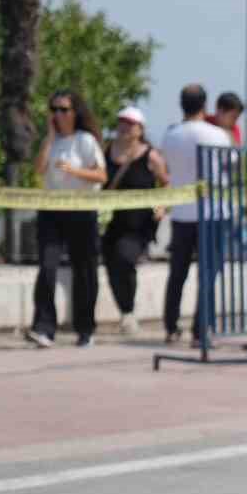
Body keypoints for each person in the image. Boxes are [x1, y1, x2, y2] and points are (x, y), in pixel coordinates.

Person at [26, 89, 107, 348]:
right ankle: (44, 327)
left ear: (75, 112)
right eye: (54, 109)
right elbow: (38, 170)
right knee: (47, 267)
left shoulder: (85, 140)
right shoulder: (52, 142)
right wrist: (49, 138)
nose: (58, 115)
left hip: (81, 210)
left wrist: (74, 170)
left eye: (63, 109)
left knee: (84, 270)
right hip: (52, 210)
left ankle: (85, 328)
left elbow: (101, 176)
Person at [159, 85, 232, 344]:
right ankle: (201, 330)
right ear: (205, 105)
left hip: (181, 214)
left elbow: (165, 166)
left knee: (177, 273)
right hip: (212, 213)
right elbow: (229, 168)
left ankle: (170, 326)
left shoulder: (170, 136)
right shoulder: (218, 135)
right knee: (208, 274)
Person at [101, 106, 169, 335]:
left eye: (130, 123)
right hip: (112, 221)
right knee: (111, 265)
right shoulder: (107, 151)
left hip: (139, 224)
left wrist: (162, 207)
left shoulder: (151, 156)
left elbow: (166, 184)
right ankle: (125, 311)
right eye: (121, 122)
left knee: (124, 258)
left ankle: (128, 311)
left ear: (140, 129)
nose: (124, 127)